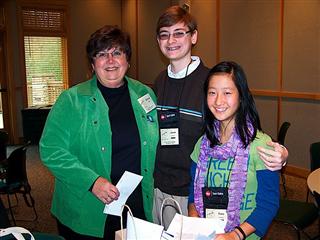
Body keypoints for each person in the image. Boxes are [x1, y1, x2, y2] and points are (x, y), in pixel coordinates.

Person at [152, 5, 287, 230]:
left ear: (193, 36)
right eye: (164, 35)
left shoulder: (211, 80)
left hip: (197, 188)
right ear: (158, 41)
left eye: (179, 33)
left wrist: (281, 154)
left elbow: (243, 129)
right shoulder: (158, 82)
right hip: (161, 185)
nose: (171, 40)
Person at [39, 25, 159, 240]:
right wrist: (92, 182)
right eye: (102, 54)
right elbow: (51, 150)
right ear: (93, 64)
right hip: (87, 207)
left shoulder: (144, 94)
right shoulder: (72, 99)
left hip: (136, 205)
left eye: (117, 53)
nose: (110, 60)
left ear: (127, 60)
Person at [188, 61, 279, 240]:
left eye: (227, 93)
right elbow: (193, 191)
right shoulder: (202, 144)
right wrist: (194, 219)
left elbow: (268, 204)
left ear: (241, 96)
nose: (218, 101)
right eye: (212, 93)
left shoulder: (260, 145)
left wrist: (235, 235)